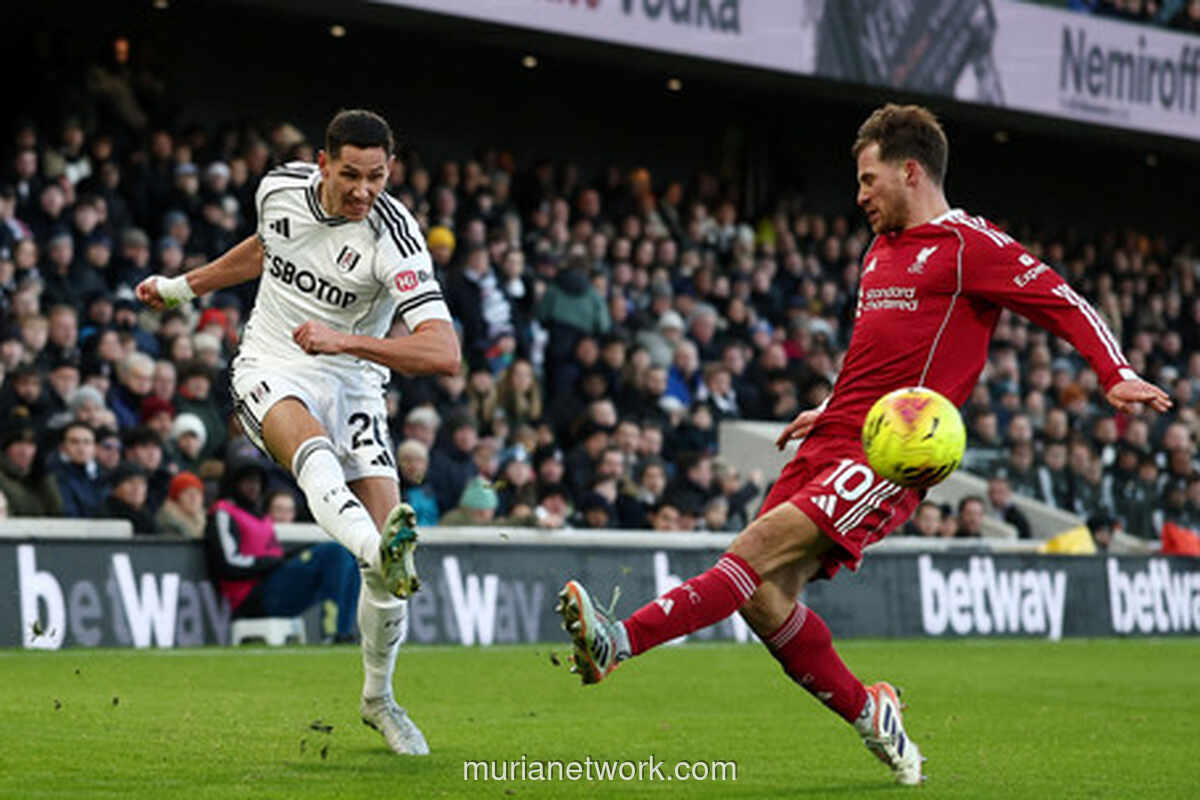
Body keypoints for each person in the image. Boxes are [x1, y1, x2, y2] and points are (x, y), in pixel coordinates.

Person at [555, 103, 1171, 787]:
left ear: (911, 172)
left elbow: (1064, 301)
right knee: (762, 596)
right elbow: (874, 354)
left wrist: (1114, 372)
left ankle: (619, 641)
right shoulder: (879, 251)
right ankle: (870, 713)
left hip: (890, 455)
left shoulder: (969, 246)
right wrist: (828, 406)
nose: (859, 195)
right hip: (833, 436)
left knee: (752, 551)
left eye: (868, 179)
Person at [137, 110, 459, 756]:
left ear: (390, 170)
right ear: (322, 163)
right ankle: (377, 548)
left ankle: (378, 699)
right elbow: (266, 248)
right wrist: (181, 288)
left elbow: (444, 352)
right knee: (317, 461)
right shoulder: (278, 188)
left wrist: (345, 341)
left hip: (355, 381)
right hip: (271, 363)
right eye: (350, 175)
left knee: (388, 577)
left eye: (376, 176)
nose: (363, 191)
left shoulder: (395, 237)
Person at [206, 458, 361, 643]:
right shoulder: (224, 512)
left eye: (257, 481)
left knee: (348, 555)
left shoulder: (260, 516)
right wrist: (268, 563)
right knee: (334, 553)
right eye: (247, 481)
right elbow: (227, 563)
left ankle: (345, 630)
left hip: (272, 582)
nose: (253, 486)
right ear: (234, 482)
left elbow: (275, 556)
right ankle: (333, 630)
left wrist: (290, 555)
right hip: (250, 595)